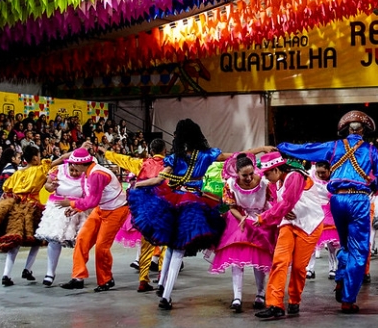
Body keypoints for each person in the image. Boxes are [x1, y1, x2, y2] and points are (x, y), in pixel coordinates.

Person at [129, 119, 273, 309]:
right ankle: (164, 292)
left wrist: (137, 185)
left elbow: (158, 179)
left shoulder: (175, 158)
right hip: (196, 204)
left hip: (174, 202)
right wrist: (261, 148)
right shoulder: (207, 155)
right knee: (177, 249)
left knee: (172, 248)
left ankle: (165, 291)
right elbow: (237, 155)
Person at [277, 110, 378, 314]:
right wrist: (373, 185)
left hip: (337, 200)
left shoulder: (334, 146)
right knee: (359, 250)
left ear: (346, 129)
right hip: (358, 199)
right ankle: (348, 299)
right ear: (364, 131)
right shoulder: (371, 150)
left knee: (346, 244)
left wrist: (282, 147)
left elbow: (307, 149)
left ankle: (341, 278)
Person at [253, 152, 327, 319]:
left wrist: (265, 217)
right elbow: (281, 204)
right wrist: (283, 212)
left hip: (310, 225)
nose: (264, 177)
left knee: (300, 268)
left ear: (277, 169)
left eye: (266, 173)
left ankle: (294, 299)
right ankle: (274, 304)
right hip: (288, 224)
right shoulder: (275, 182)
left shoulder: (295, 176)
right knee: (279, 261)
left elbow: (287, 202)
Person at [0, 145, 65, 286]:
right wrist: (79, 150)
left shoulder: (17, 174)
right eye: (39, 155)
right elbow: (62, 159)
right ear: (35, 158)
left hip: (16, 208)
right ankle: (27, 269)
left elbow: (5, 193)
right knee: (38, 239)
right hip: (33, 209)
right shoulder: (40, 169)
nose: (40, 157)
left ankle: (6, 274)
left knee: (15, 240)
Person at [210, 153, 276, 313]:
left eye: (251, 174)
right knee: (236, 259)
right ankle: (237, 296)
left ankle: (260, 294)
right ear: (236, 174)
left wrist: (264, 218)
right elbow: (232, 207)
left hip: (261, 219)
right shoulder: (230, 184)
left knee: (259, 256)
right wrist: (243, 219)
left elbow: (272, 201)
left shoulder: (264, 182)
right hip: (239, 220)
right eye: (244, 175)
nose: (248, 178)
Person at [58, 146, 130, 292]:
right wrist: (76, 208)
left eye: (72, 164)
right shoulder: (90, 171)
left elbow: (92, 201)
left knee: (102, 247)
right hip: (102, 209)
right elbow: (91, 199)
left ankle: (106, 280)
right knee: (82, 239)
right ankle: (77, 277)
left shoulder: (97, 174)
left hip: (115, 211)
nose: (71, 167)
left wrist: (71, 203)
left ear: (79, 164)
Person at [100, 139, 168, 292]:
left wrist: (107, 153)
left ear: (151, 151)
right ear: (164, 151)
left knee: (146, 244)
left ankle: (143, 280)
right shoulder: (169, 165)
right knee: (164, 244)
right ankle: (162, 278)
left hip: (144, 209)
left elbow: (122, 159)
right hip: (164, 208)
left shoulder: (141, 163)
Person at [34, 156, 88, 286]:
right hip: (58, 208)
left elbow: (90, 194)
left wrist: (78, 205)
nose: (74, 173)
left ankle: (78, 275)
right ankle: (50, 273)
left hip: (78, 208)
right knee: (54, 240)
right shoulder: (58, 170)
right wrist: (51, 186)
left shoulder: (87, 174)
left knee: (80, 243)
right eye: (72, 170)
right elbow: (47, 185)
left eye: (77, 171)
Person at [305, 161, 341, 280]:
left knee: (332, 244)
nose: (320, 175)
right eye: (318, 172)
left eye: (323, 172)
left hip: (330, 213)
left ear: (329, 171)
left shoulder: (335, 180)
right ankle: (310, 268)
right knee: (312, 243)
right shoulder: (311, 178)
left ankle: (333, 268)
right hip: (315, 212)